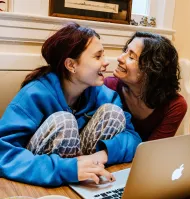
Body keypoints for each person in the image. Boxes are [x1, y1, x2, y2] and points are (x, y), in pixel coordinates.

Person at [0, 23, 141, 186]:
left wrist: (100, 156)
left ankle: (87, 188)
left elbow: (133, 139)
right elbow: (3, 152)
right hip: (46, 176)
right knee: (64, 121)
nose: (106, 62)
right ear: (71, 65)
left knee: (113, 112)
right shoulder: (35, 94)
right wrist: (68, 169)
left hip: (87, 175)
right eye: (98, 56)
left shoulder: (103, 94)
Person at [105, 32, 187, 141]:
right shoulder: (108, 87)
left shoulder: (175, 106)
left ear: (152, 70)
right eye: (125, 51)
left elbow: (152, 151)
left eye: (131, 57)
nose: (120, 58)